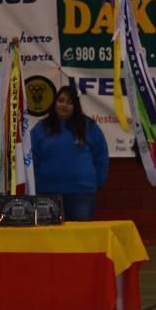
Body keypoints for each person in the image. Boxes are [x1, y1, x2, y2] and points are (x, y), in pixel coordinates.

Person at [31, 85, 108, 221]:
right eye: (61, 100)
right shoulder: (41, 128)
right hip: (47, 193)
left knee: (80, 239)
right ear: (54, 102)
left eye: (69, 102)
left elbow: (101, 156)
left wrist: (96, 182)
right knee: (49, 240)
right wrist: (38, 182)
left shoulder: (89, 127)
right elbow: (32, 157)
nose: (64, 105)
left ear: (76, 106)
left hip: (81, 193)